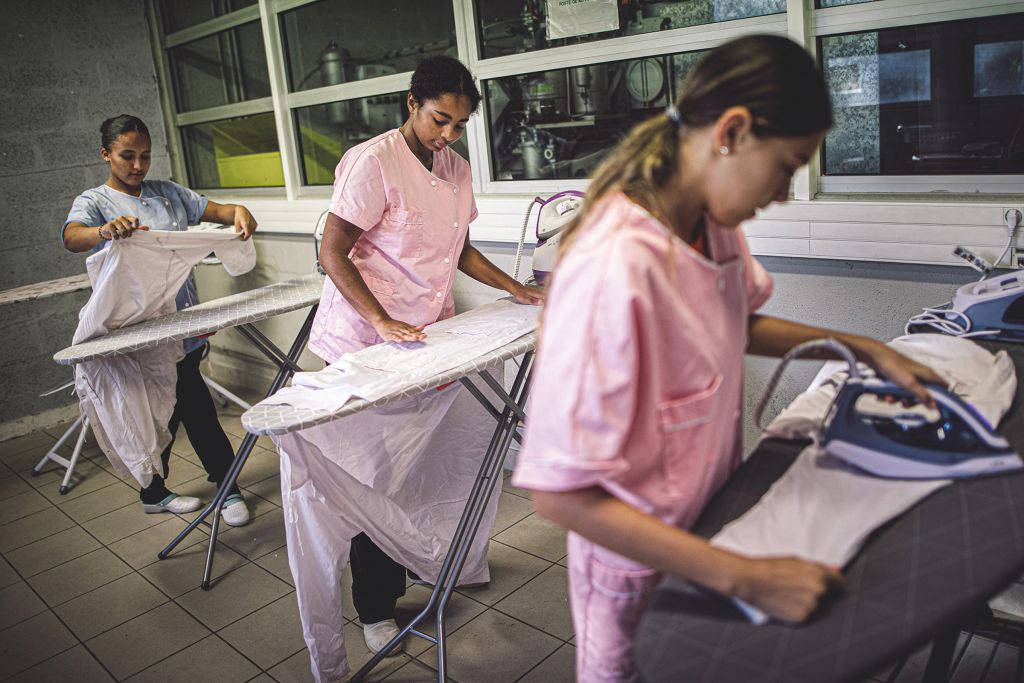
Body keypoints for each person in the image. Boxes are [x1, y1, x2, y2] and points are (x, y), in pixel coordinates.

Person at [511, 35, 945, 683]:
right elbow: (559, 493)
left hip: (711, 522)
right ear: (733, 132)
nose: (782, 194)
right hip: (640, 563)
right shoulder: (614, 268)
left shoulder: (710, 223)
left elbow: (735, 323)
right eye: (787, 167)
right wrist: (750, 577)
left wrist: (866, 348)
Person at [310, 55, 543, 654]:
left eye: (459, 125)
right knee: (375, 476)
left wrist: (514, 288)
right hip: (365, 340)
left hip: (424, 339)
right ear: (412, 103)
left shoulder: (456, 168)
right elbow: (333, 251)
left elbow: (457, 248)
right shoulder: (374, 161)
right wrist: (381, 319)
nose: (448, 134)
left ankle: (417, 560)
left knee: (421, 464)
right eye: (440, 119)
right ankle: (373, 607)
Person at [62, 114, 257, 527]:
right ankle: (224, 485)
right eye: (127, 156)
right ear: (106, 154)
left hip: (181, 324)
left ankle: (155, 491)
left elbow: (221, 211)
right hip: (138, 331)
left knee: (170, 408)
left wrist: (240, 213)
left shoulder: (168, 194)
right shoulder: (95, 202)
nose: (137, 166)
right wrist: (104, 231)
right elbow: (71, 236)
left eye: (145, 157)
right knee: (183, 406)